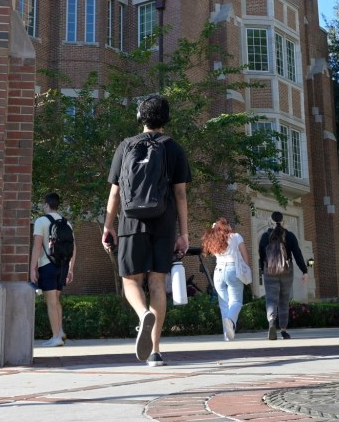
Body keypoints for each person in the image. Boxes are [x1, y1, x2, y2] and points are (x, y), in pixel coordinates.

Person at [102, 94, 191, 367]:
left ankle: (142, 315)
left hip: (131, 222)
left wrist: (107, 225)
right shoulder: (174, 148)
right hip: (163, 222)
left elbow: (115, 191)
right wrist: (183, 233)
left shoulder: (126, 146)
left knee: (131, 280)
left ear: (140, 116)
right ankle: (155, 351)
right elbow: (180, 194)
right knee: (156, 284)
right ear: (166, 118)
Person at [29, 192, 74, 347]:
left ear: (46, 205)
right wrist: (71, 269)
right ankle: (59, 331)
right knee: (56, 300)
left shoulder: (41, 221)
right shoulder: (66, 223)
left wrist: (32, 268)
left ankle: (56, 337)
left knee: (51, 302)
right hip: (63, 266)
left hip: (46, 265)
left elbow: (37, 246)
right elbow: (74, 248)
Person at [258, 211, 307, 340]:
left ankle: (271, 322)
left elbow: (261, 255)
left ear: (271, 221)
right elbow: (297, 254)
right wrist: (304, 271)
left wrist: (262, 269)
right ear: (283, 221)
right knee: (284, 300)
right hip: (286, 270)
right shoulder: (289, 236)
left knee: (271, 299)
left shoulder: (265, 236)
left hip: (269, 270)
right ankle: (284, 330)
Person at [201, 217, 251, 341]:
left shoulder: (214, 240)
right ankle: (231, 320)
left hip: (218, 272)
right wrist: (246, 269)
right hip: (233, 270)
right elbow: (246, 258)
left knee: (224, 305)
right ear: (226, 226)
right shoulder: (236, 237)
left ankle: (227, 335)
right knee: (236, 302)